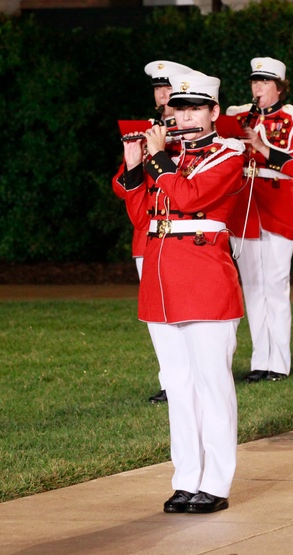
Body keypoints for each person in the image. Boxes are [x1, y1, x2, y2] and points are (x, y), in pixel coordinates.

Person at [118, 70, 246, 513]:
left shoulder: (229, 154)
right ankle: (186, 477)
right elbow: (141, 216)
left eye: (195, 109)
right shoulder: (165, 156)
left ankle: (216, 482)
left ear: (214, 112)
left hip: (205, 275)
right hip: (160, 276)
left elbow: (190, 197)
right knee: (177, 384)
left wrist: (157, 161)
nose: (185, 116)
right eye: (179, 109)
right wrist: (136, 166)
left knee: (212, 384)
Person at [226, 57, 293, 382]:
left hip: (276, 206)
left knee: (275, 285)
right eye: (254, 82)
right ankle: (259, 361)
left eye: (264, 82)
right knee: (252, 286)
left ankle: (278, 362)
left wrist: (263, 148)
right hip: (245, 208)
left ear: (280, 86)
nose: (258, 88)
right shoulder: (236, 115)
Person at [113, 59, 193, 404]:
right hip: (147, 232)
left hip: (185, 234)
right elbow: (122, 184)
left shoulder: (194, 137)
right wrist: (134, 161)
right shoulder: (146, 131)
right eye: (159, 89)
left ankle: (193, 378)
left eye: (170, 89)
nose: (163, 95)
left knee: (188, 312)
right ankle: (170, 382)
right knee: (157, 317)